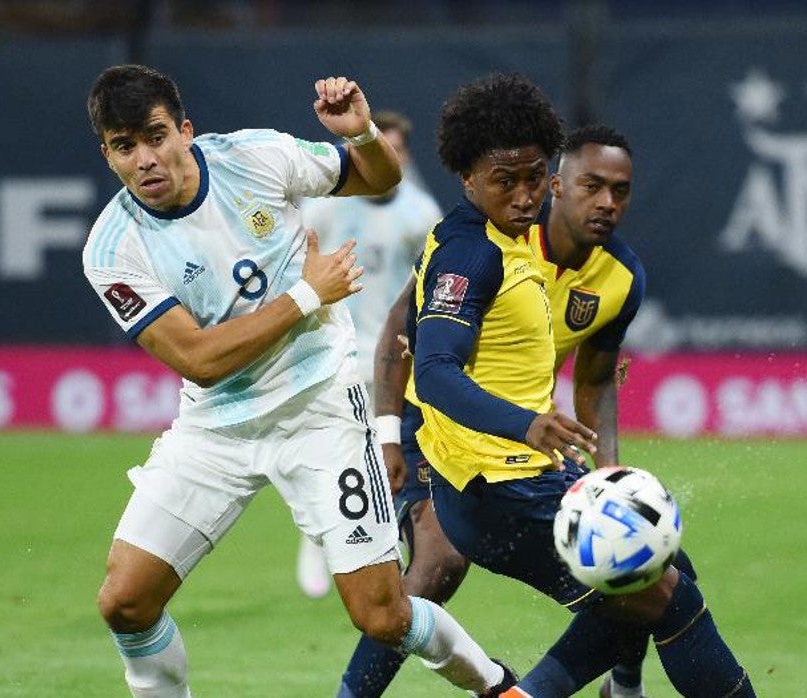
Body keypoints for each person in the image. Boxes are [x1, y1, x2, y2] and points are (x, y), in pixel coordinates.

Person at [82, 64, 514, 697]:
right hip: (214, 432)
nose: (145, 159)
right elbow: (199, 359)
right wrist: (310, 293)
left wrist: (361, 133)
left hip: (321, 410)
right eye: (125, 147)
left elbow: (377, 177)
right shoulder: (112, 248)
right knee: (124, 603)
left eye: (155, 136)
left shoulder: (256, 157)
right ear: (108, 155)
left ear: (185, 130)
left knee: (383, 614)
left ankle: (499, 685)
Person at [348, 72, 755, 698]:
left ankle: (613, 686)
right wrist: (389, 439)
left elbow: (595, 377)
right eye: (591, 185)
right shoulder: (481, 250)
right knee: (437, 569)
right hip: (456, 442)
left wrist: (607, 473)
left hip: (509, 451)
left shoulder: (609, 274)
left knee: (649, 567)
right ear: (566, 183)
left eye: (620, 191)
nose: (605, 202)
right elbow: (418, 357)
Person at [294, 110, 443, 600]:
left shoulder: (421, 215)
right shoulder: (324, 209)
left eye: (397, 151)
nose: (390, 158)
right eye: (381, 150)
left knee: (387, 454)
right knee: (340, 450)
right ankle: (316, 537)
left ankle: (372, 542)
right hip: (333, 347)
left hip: (394, 354)